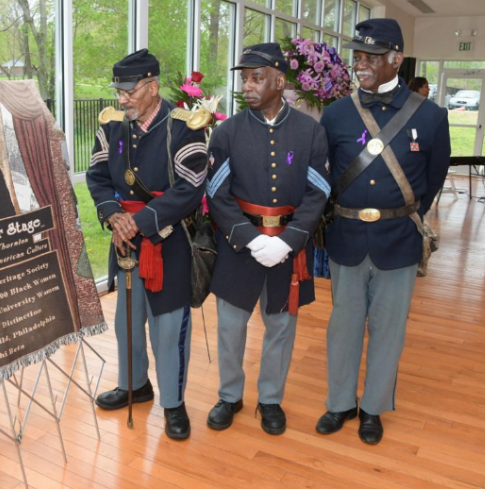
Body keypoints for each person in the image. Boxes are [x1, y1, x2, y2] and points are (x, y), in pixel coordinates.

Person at [316, 19, 450, 444]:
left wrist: (399, 215)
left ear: (396, 58)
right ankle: (340, 403)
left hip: (398, 240)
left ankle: (373, 408)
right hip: (348, 238)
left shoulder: (430, 117)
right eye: (357, 56)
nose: (361, 64)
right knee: (344, 327)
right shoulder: (335, 114)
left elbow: (433, 179)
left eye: (371, 57)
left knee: (389, 330)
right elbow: (324, 174)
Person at [205, 43, 330, 435]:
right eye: (244, 78)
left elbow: (319, 191)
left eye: (257, 78)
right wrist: (248, 237)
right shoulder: (227, 131)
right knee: (230, 326)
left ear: (280, 80)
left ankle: (271, 399)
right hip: (239, 247)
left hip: (287, 248)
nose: (248, 86)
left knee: (280, 327)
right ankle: (229, 396)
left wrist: (289, 240)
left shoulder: (309, 131)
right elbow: (216, 193)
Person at [86, 49, 208, 440]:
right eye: (118, 91)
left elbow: (190, 189)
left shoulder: (186, 126)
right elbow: (98, 176)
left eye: (129, 91)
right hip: (124, 242)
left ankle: (173, 403)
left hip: (167, 243)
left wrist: (138, 221)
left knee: (168, 330)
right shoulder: (111, 125)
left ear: (152, 87)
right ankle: (134, 384)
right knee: (126, 322)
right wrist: (112, 214)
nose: (121, 99)